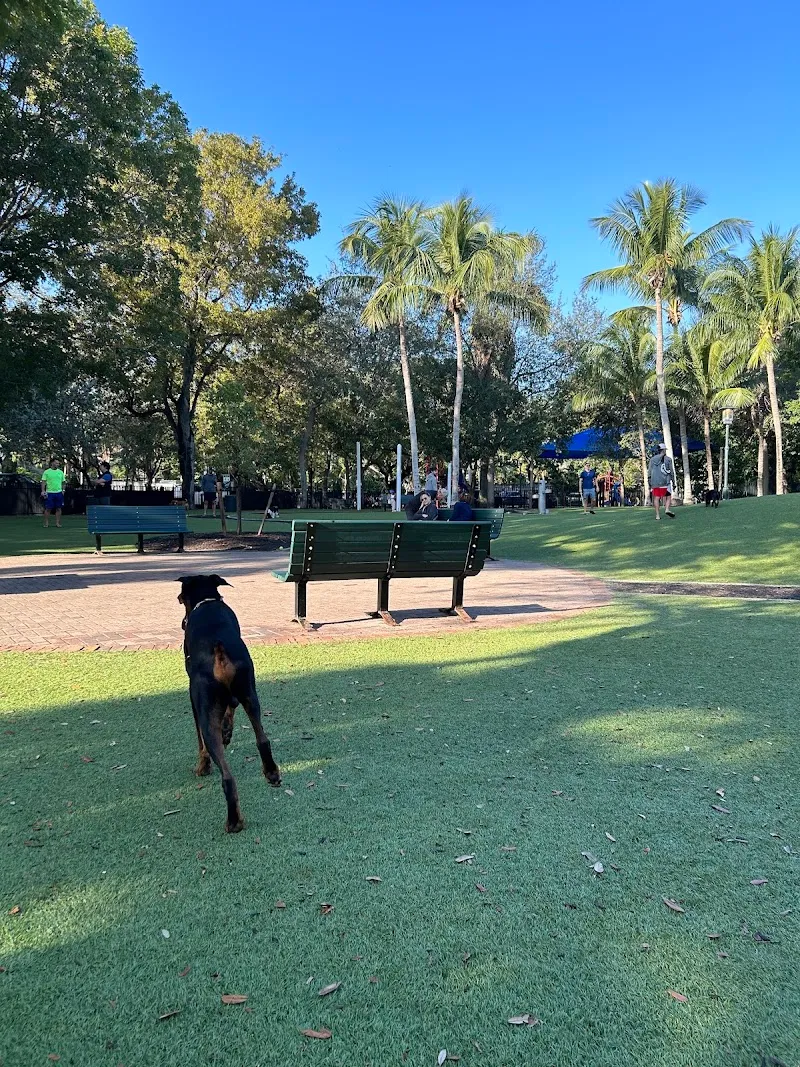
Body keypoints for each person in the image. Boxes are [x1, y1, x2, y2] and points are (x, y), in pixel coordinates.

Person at [647, 443, 676, 520]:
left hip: (655, 482)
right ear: (663, 450)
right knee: (668, 496)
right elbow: (671, 472)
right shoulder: (668, 459)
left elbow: (649, 471)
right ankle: (667, 509)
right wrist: (673, 482)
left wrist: (649, 482)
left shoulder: (652, 460)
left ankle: (657, 515)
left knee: (656, 498)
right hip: (665, 482)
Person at [40, 459, 65, 528]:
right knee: (48, 508)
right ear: (52, 463)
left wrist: (63, 490)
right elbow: (43, 482)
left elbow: (63, 482)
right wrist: (43, 491)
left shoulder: (60, 472)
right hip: (49, 493)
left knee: (59, 508)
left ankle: (57, 523)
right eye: (56, 463)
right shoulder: (47, 472)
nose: (58, 464)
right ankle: (46, 523)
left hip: (59, 493)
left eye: (58, 463)